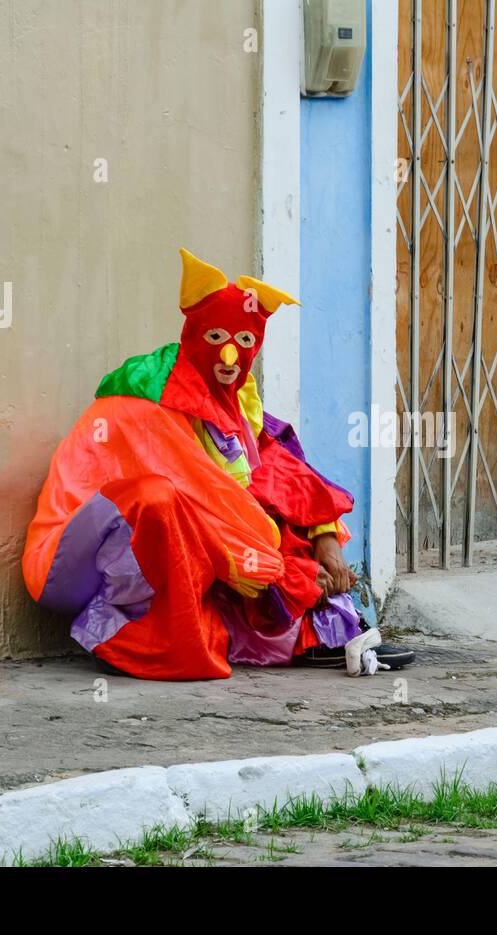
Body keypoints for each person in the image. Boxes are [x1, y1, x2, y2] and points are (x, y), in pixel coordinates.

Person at [21, 248, 413, 680]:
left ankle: (320, 634)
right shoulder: (156, 398)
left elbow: (280, 473)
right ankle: (119, 636)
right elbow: (208, 499)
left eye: (244, 342)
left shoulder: (231, 402)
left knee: (273, 501)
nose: (229, 356)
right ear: (195, 336)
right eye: (215, 338)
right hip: (63, 566)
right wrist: (280, 572)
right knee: (162, 502)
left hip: (145, 545)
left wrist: (324, 538)